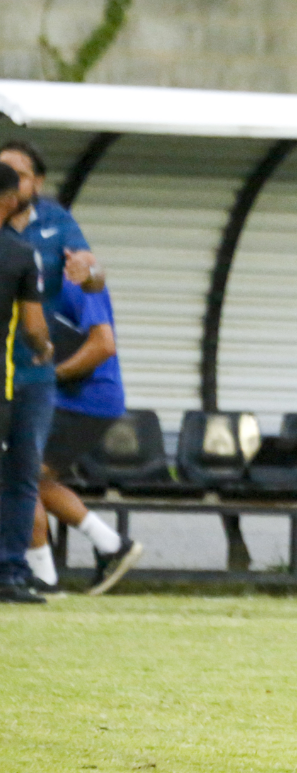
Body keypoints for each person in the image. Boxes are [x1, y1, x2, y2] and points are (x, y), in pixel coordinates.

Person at [0, 141, 104, 594]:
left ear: (36, 182)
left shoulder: (56, 222)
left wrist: (89, 270)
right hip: (10, 365)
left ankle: (14, 570)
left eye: (17, 172)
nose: (9, 179)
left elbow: (94, 276)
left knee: (24, 475)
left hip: (35, 374)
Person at [27, 277, 142, 595]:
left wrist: (48, 377)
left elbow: (103, 345)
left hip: (84, 401)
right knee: (31, 480)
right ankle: (111, 545)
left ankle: (43, 579)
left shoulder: (75, 275)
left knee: (16, 480)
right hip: (72, 402)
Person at [0, 162, 55, 603]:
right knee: (16, 479)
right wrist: (44, 348)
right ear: (11, 199)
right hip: (5, 384)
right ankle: (9, 573)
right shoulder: (19, 254)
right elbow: (34, 327)